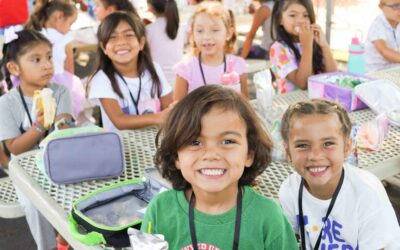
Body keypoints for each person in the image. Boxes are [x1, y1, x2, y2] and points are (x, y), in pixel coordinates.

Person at [141, 85, 298, 249]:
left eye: (227, 141)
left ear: (249, 154)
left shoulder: (268, 217)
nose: (211, 154)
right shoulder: (160, 210)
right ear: (176, 157)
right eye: (195, 142)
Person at [279, 99, 400, 249]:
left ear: (347, 147)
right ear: (287, 152)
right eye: (302, 145)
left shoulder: (367, 193)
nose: (315, 155)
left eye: (328, 143)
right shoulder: (289, 191)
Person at [0, 29, 73, 250]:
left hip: (60, 163)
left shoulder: (60, 92)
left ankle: (66, 239)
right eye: (36, 59)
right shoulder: (7, 103)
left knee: (75, 195)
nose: (47, 65)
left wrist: (63, 124)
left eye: (49, 57)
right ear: (14, 68)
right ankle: (47, 246)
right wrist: (39, 125)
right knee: (34, 205)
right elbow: (15, 148)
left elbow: (63, 129)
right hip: (25, 170)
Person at [88, 11, 173, 132]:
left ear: (141, 43)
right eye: (112, 37)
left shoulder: (154, 69)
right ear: (104, 48)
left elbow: (169, 107)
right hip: (122, 146)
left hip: (156, 140)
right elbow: (120, 121)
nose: (121, 42)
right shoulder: (102, 79)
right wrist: (158, 118)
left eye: (128, 35)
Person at [174, 1, 249, 100]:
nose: (207, 37)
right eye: (200, 31)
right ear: (192, 33)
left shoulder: (238, 65)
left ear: (228, 33)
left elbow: (245, 103)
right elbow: (178, 108)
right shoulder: (186, 69)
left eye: (215, 30)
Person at [26, 0, 86, 119]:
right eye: (70, 24)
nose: (69, 29)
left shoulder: (34, 34)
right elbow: (69, 69)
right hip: (60, 85)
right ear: (59, 16)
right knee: (61, 118)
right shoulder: (65, 39)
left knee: (39, 116)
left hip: (35, 83)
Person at [269, 0, 337, 93]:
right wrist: (307, 46)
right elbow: (303, 84)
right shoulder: (278, 49)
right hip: (291, 103)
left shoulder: (314, 42)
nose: (300, 21)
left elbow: (333, 76)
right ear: (280, 19)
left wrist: (324, 45)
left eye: (306, 15)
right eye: (292, 15)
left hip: (317, 100)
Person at [146, 0, 185, 86]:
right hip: (178, 80)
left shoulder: (148, 30)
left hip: (157, 81)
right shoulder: (181, 28)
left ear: (150, 7)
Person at [365, 0, 400, 72]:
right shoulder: (377, 25)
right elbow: (384, 51)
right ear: (381, 6)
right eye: (395, 6)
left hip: (394, 70)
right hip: (378, 72)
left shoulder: (398, 23)